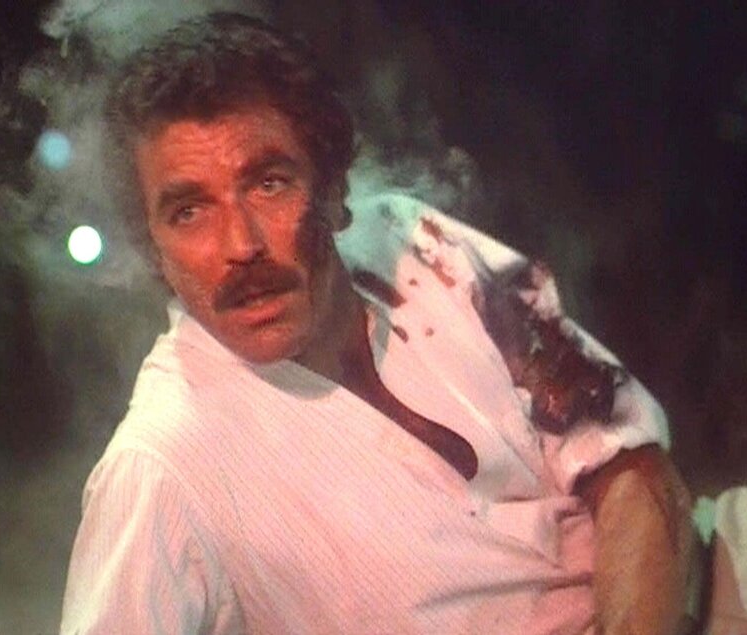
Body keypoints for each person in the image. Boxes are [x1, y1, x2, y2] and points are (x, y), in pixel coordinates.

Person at [60, 12, 693, 635]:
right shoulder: (160, 468)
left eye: (269, 184)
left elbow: (633, 469)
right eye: (189, 211)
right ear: (154, 249)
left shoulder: (413, 242)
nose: (241, 245)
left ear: (334, 190)